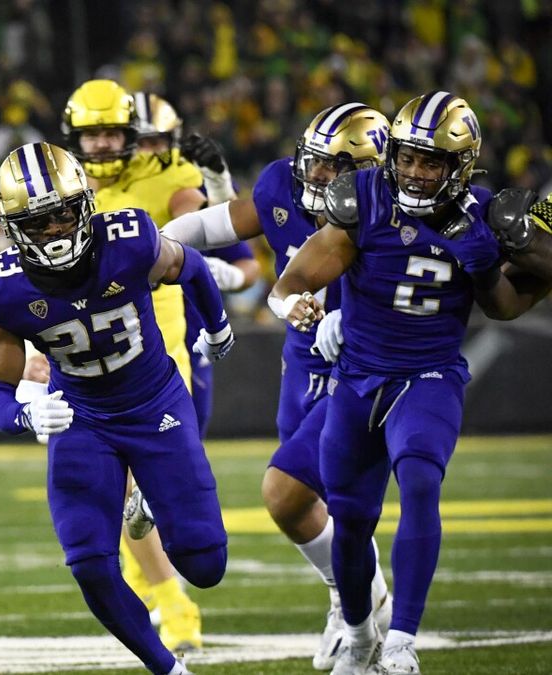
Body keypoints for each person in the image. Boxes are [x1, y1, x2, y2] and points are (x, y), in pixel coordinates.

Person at [269, 91, 528, 675]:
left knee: (418, 481)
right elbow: (300, 275)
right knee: (353, 518)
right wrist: (298, 305)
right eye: (407, 157)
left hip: (429, 376)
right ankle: (360, 632)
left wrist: (487, 264)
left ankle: (404, 640)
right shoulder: (362, 197)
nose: (414, 171)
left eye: (431, 162)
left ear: (460, 166)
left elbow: (507, 302)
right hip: (358, 377)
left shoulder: (485, 212)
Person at [0, 142, 233, 675]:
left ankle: (150, 507)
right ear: (11, 226)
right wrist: (25, 415)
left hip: (154, 401)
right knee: (90, 563)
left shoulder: (131, 239)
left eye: (64, 214)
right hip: (83, 418)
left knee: (206, 564)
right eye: (38, 222)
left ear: (84, 205)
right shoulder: (1, 288)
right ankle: (168, 668)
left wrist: (218, 325)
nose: (55, 230)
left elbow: (191, 266)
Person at [161, 103, 396, 668]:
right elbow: (222, 223)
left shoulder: (390, 214)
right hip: (305, 358)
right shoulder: (281, 185)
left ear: (368, 172)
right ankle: (351, 597)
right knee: (299, 505)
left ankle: (367, 613)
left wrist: (363, 318)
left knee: (289, 490)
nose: (313, 177)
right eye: (312, 163)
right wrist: (157, 243)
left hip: (364, 363)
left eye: (330, 169)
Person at [57, 80, 212, 653]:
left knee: (152, 481)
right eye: (90, 134)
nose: (99, 145)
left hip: (158, 338)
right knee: (115, 484)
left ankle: (167, 593)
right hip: (81, 339)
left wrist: (202, 206)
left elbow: (198, 225)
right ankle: (169, 600)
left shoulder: (165, 173)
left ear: (130, 133)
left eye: (111, 133)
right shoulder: (57, 185)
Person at [130, 91, 259, 437]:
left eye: (155, 141)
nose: (147, 153)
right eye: (138, 143)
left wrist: (224, 275)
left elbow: (248, 267)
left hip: (189, 322)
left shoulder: (191, 181)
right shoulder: (101, 187)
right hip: (124, 326)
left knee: (184, 435)